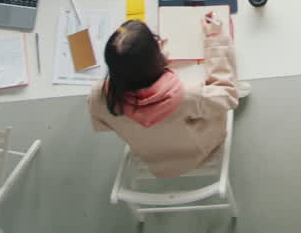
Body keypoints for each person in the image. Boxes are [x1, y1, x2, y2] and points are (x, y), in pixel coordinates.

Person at [88, 16, 238, 178]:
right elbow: (228, 95)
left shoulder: (98, 98)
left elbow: (104, 126)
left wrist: (150, 60)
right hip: (199, 154)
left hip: (154, 160)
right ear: (155, 57)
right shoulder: (188, 97)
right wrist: (215, 39)